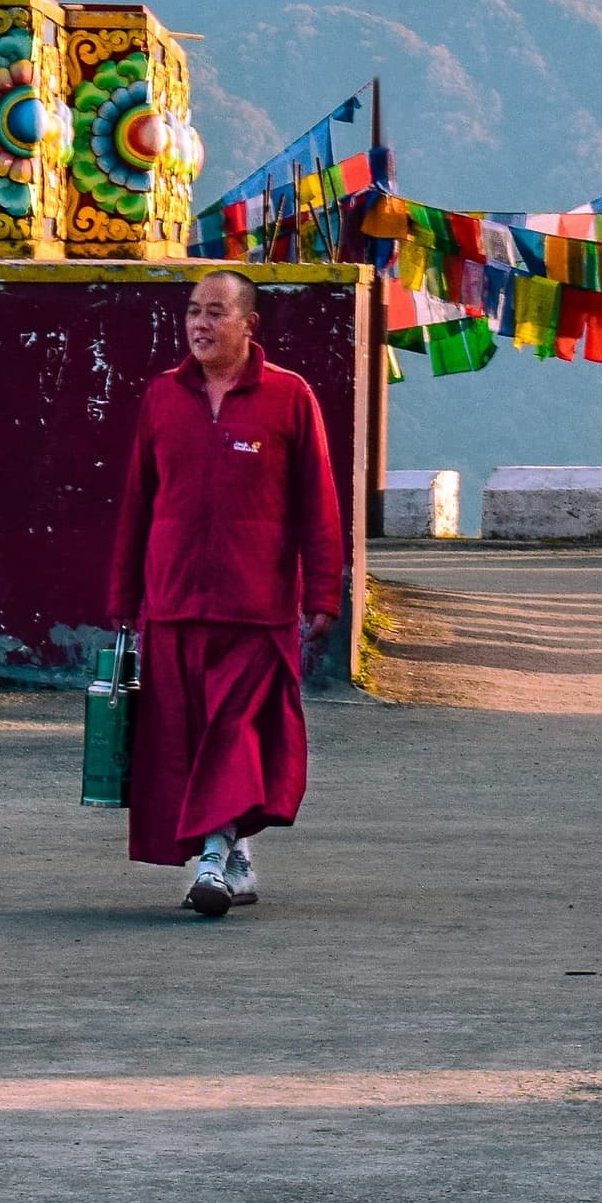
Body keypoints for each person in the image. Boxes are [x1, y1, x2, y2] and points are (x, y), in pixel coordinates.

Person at [105, 269, 347, 917]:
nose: (200, 325)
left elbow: (317, 505)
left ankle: (211, 859)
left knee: (232, 733)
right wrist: (124, 596)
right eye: (192, 312)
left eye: (216, 312)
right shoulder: (162, 397)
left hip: (256, 604)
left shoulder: (288, 398)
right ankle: (236, 857)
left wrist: (323, 592)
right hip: (176, 600)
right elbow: (139, 502)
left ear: (249, 325)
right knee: (185, 740)